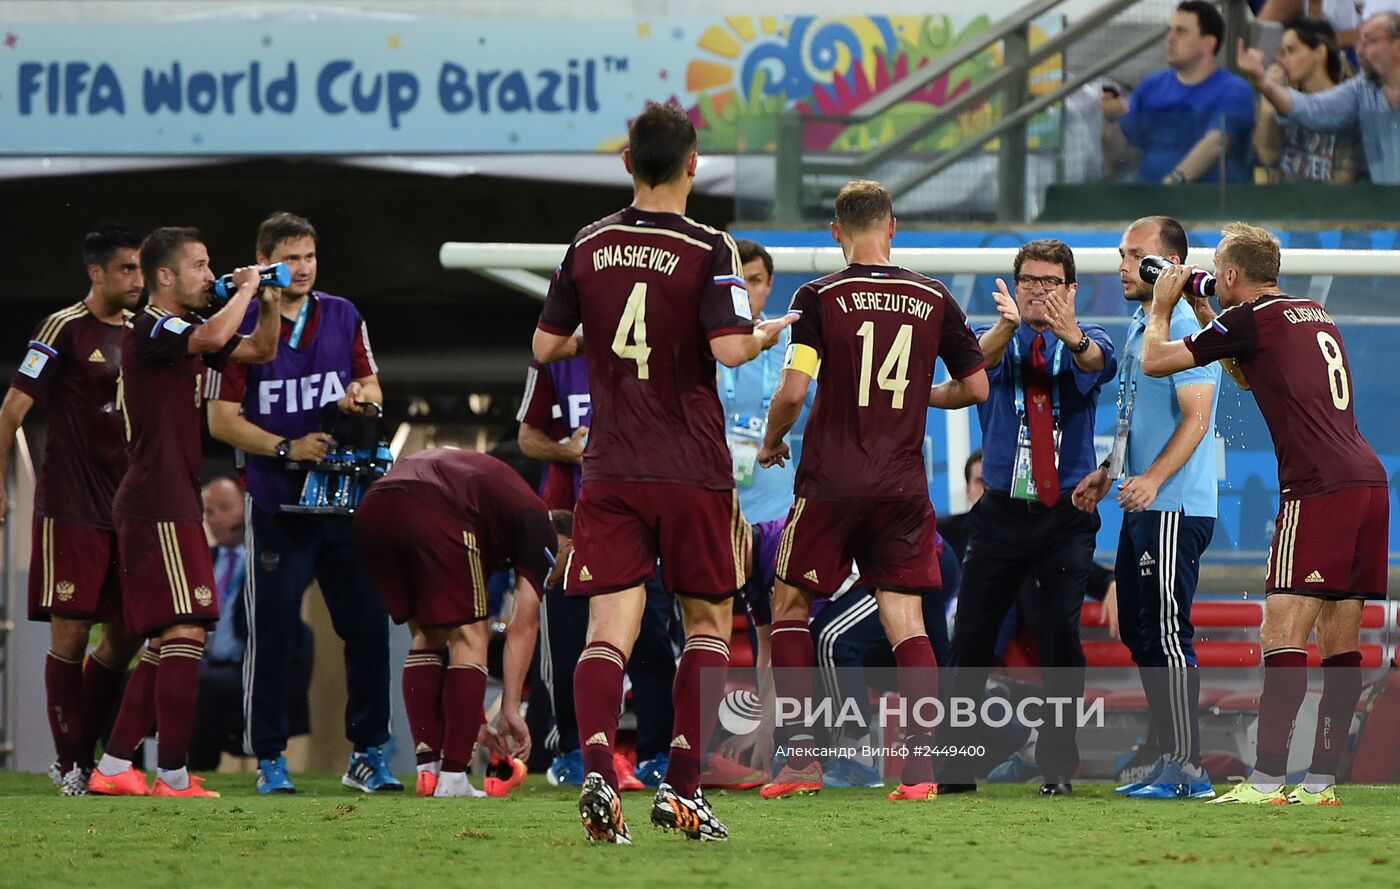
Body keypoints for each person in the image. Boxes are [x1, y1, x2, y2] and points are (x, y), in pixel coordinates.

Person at [533, 102, 794, 844]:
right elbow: (733, 350)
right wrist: (763, 330)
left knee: (607, 629)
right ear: (693, 164)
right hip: (690, 465)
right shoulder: (711, 245)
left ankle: (594, 767)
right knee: (708, 622)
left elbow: (546, 345)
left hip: (611, 464)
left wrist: (610, 339)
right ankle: (681, 789)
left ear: (625, 162)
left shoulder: (588, 242)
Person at [756, 179, 989, 802]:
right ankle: (918, 774)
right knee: (906, 619)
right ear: (893, 228)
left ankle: (801, 760)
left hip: (831, 483)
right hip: (902, 486)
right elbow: (977, 390)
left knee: (788, 607)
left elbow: (794, 390)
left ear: (836, 233)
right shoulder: (932, 296)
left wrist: (772, 441)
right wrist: (918, 398)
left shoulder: (818, 297)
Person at [1142, 222, 1389, 806]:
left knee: (1281, 630)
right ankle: (1322, 781)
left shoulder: (1249, 319)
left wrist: (1163, 307)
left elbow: (1156, 360)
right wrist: (1207, 313)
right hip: (1365, 480)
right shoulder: (1311, 313)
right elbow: (1250, 375)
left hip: (1317, 486)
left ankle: (1269, 779)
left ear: (1231, 275)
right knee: (1340, 638)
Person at [206, 212, 398, 796]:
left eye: (311, 256)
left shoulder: (343, 315)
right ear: (266, 260)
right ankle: (269, 757)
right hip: (276, 503)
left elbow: (373, 384)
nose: (305, 268)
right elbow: (219, 423)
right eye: (291, 258)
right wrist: (288, 447)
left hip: (342, 499)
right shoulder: (239, 327)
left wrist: (363, 397)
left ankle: (369, 753)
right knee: (275, 636)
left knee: (368, 628)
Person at [88, 227, 279, 797]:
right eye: (199, 265)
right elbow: (218, 332)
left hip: (165, 499)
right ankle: (170, 772)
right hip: (156, 502)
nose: (208, 273)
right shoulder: (154, 326)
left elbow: (259, 350)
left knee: (169, 638)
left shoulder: (182, 333)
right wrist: (243, 290)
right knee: (187, 629)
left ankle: (118, 766)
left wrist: (265, 302)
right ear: (164, 276)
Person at [942, 238, 1117, 797]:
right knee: (969, 637)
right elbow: (974, 363)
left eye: (1049, 282)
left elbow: (1098, 361)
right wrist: (1006, 326)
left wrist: (1069, 333)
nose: (1038, 291)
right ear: (1014, 288)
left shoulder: (1091, 339)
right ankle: (955, 766)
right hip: (999, 514)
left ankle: (1058, 767)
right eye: (1028, 282)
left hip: (1065, 514)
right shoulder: (994, 341)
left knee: (1060, 637)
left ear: (1070, 289)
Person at [1073, 216, 1221, 800]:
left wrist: (1155, 480)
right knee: (1143, 632)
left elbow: (1197, 418)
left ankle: (1188, 767)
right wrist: (1108, 470)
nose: (1123, 264)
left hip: (1174, 504)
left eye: (1136, 255)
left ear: (1169, 265)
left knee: (1164, 631)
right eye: (1122, 253)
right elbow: (1137, 416)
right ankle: (1171, 756)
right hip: (1146, 502)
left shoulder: (1184, 321)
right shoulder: (1144, 322)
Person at [0, 223, 144, 795]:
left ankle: (90, 752)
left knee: (130, 631)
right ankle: (69, 762)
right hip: (71, 506)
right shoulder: (62, 329)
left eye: (140, 268)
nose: (137, 279)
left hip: (130, 509)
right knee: (72, 631)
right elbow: (10, 412)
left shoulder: (145, 332)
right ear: (97, 272)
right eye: (126, 269)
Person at [354, 447, 556, 799]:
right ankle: (453, 778)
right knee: (472, 638)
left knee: (427, 635)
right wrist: (509, 708)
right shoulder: (542, 527)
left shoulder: (496, 515)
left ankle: (428, 771)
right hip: (433, 507)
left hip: (372, 508)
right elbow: (523, 626)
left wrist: (475, 719)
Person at [188, 475, 314, 772]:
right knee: (134, 680)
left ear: (245, 510)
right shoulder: (203, 561)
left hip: (247, 667)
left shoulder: (269, 561)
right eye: (208, 511)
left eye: (225, 508)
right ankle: (123, 767)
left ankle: (197, 771)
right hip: (204, 661)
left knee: (207, 686)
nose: (215, 518)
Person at [1101, 1, 1255, 184]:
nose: (1170, 38)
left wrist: (1173, 183)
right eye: (1169, 30)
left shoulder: (1234, 89)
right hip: (1148, 203)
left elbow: (1217, 143)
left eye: (1180, 31)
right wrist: (1112, 121)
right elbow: (1121, 159)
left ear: (1208, 43)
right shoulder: (1150, 86)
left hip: (1212, 204)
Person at [1239, 11, 1400, 184]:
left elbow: (1345, 178)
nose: (1359, 50)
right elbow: (1313, 109)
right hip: (1383, 207)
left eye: (1370, 41)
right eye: (1359, 42)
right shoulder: (1361, 89)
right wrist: (1264, 82)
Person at [720, 239, 814, 524]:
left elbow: (828, 410)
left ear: (770, 284)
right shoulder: (699, 347)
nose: (745, 292)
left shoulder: (792, 345)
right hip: (711, 507)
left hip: (775, 511)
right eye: (737, 282)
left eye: (755, 281)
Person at [1252, 19, 1365, 183]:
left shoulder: (1345, 102)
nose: (1283, 60)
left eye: (1292, 50)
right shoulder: (1283, 99)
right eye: (1281, 52)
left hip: (1329, 204)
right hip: (1286, 202)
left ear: (1320, 52)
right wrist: (1270, 96)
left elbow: (1345, 176)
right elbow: (1267, 156)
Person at [516, 356, 589, 509]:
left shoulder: (640, 354)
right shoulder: (549, 360)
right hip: (567, 502)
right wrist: (569, 451)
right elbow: (526, 439)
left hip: (629, 497)